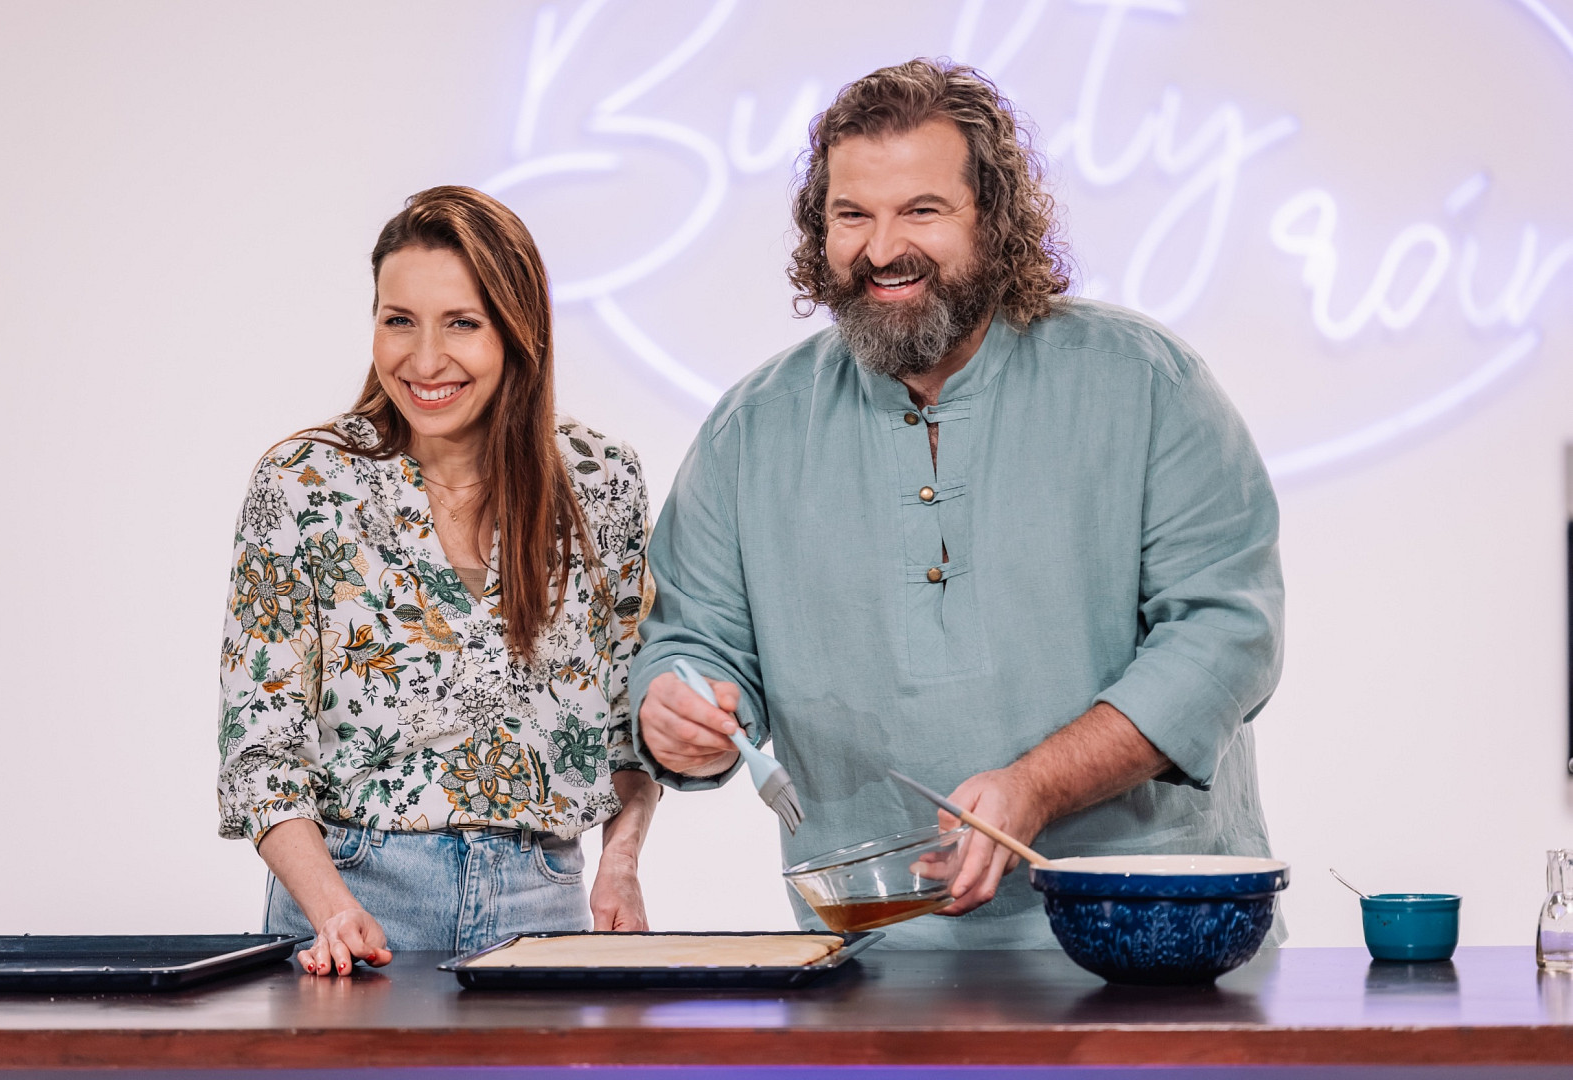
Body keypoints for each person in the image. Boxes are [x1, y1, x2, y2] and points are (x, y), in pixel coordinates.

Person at [629, 60, 1284, 949]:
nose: (881, 249)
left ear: (995, 221)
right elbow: (691, 644)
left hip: (1150, 940)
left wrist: (1037, 784)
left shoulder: (1145, 383)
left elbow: (1226, 636)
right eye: (851, 216)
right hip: (873, 957)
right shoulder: (751, 430)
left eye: (922, 211)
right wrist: (678, 712)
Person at [217, 186, 658, 975]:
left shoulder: (601, 481)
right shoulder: (304, 484)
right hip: (350, 897)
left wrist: (620, 861)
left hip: (542, 901)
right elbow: (260, 749)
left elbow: (630, 721)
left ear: (520, 330)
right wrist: (332, 907)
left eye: (462, 323)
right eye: (399, 321)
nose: (423, 361)